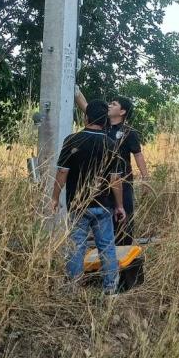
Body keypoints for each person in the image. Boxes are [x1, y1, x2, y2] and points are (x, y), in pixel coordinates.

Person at [51, 100, 126, 293]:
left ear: (86, 117)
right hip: (103, 206)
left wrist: (54, 197)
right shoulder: (111, 144)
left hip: (78, 205)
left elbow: (62, 172)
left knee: (76, 247)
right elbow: (115, 180)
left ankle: (72, 288)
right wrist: (119, 206)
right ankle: (110, 289)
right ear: (105, 121)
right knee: (107, 247)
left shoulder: (72, 140)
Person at [75, 88, 149, 245]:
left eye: (113, 104)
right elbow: (87, 108)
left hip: (124, 183)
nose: (109, 105)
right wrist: (76, 92)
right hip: (102, 185)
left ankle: (125, 260)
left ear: (122, 111)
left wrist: (146, 178)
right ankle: (108, 257)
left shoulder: (129, 132)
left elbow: (138, 155)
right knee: (105, 224)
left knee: (124, 222)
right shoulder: (102, 126)